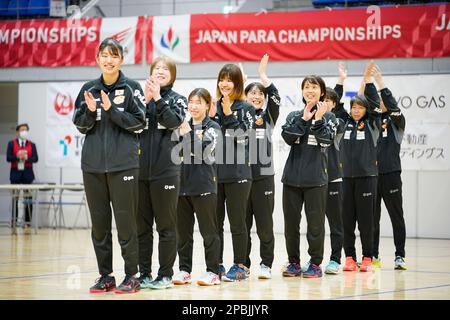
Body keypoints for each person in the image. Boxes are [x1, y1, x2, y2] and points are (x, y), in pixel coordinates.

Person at [73, 37, 146, 294]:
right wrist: (91, 112)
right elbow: (80, 125)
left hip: (123, 166)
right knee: (100, 226)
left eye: (114, 55)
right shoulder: (88, 89)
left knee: (126, 223)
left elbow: (139, 123)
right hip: (93, 168)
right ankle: (106, 275)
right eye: (104, 55)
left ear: (121, 60)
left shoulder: (132, 89)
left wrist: (111, 110)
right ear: (97, 59)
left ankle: (132, 275)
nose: (109, 59)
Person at [137, 56, 187, 290]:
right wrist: (144, 100)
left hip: (166, 171)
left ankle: (165, 274)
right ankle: (144, 273)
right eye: (156, 68)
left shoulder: (178, 100)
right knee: (142, 227)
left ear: (173, 74)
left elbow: (173, 122)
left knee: (166, 226)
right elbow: (130, 124)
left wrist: (157, 97)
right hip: (139, 172)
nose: (160, 71)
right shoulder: (139, 97)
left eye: (165, 69)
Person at [281, 75, 337, 278]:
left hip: (316, 180)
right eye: (306, 87)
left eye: (314, 87)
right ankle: (293, 262)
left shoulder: (329, 117)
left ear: (322, 92)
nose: (310, 90)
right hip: (291, 180)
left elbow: (326, 141)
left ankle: (315, 264)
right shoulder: (294, 115)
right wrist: (304, 119)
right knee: (291, 225)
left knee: (315, 225)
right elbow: (288, 138)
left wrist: (319, 119)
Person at [210, 63, 255, 281]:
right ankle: (216, 264)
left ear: (237, 83)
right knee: (215, 223)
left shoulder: (246, 108)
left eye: (229, 79)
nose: (224, 83)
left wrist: (228, 113)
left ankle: (240, 265)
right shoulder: (213, 105)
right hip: (215, 174)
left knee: (238, 223)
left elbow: (242, 137)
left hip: (238, 174)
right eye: (222, 79)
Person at [173, 88, 222, 286]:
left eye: (198, 102)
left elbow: (204, 153)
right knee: (183, 234)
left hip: (204, 186)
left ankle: (213, 272)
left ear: (207, 106)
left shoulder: (213, 127)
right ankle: (184, 270)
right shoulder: (181, 126)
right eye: (191, 102)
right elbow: (176, 153)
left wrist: (188, 137)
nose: (193, 106)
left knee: (209, 232)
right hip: (181, 187)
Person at [339, 61, 382, 273]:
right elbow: (335, 106)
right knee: (347, 220)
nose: (356, 110)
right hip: (346, 178)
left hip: (367, 177)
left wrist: (368, 80)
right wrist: (341, 82)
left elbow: (374, 102)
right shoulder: (344, 123)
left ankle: (367, 257)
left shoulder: (373, 124)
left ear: (366, 109)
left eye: (360, 107)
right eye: (353, 107)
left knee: (366, 221)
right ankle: (349, 257)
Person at [243, 54, 280, 279]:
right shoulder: (237, 114)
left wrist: (263, 77)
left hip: (264, 176)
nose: (256, 96)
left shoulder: (268, 117)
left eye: (259, 94)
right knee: (242, 226)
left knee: (265, 225)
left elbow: (275, 97)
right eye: (252, 93)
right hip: (242, 177)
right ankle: (243, 264)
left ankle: (266, 264)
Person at [372, 65, 407, 270]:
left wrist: (381, 84)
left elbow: (394, 107)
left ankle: (400, 255)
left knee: (396, 216)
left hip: (391, 174)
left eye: (383, 99)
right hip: (371, 176)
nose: (380, 102)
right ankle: (373, 255)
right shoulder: (371, 121)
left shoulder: (397, 122)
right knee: (372, 219)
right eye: (377, 100)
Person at [6, 123, 38, 228]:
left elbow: (35, 158)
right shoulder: (11, 143)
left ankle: (27, 222)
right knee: (15, 199)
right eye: (22, 129)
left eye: (26, 130)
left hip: (27, 174)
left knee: (28, 199)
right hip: (15, 174)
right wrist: (17, 156)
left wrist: (26, 158)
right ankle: (14, 221)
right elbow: (8, 158)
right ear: (18, 132)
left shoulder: (32, 144)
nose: (24, 131)